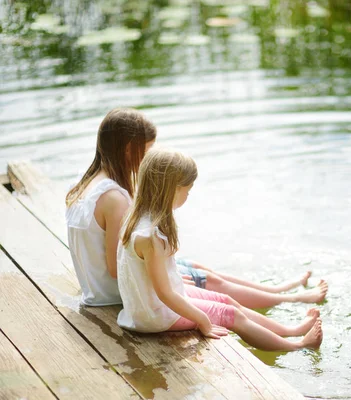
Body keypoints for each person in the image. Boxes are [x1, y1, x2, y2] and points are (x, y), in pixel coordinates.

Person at [65, 107, 328, 307]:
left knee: (199, 268)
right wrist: (169, 280)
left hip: (96, 289)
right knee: (210, 281)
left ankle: (278, 291)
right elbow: (116, 267)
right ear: (127, 150)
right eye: (146, 151)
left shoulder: (85, 184)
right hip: (116, 295)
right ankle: (291, 300)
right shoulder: (115, 199)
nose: (148, 160)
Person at [118, 148, 323, 350]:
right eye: (187, 190)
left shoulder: (138, 217)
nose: (189, 194)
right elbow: (164, 294)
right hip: (157, 315)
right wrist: (203, 320)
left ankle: (289, 330)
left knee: (226, 300)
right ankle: (297, 345)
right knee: (232, 316)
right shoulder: (150, 236)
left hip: (152, 306)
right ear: (171, 189)